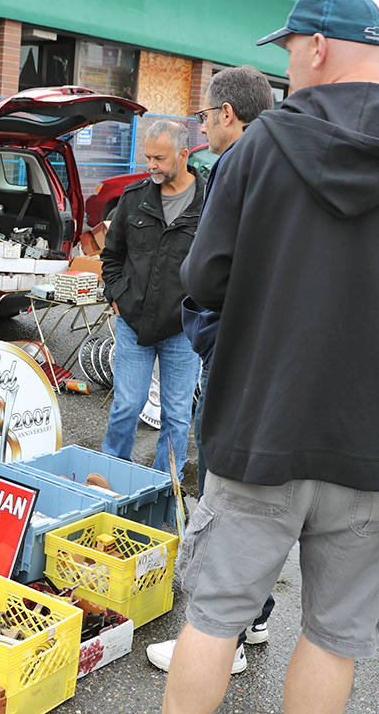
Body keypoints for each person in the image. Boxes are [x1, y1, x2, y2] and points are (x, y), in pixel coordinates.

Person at [169, 0, 379, 714]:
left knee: (214, 618)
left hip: (261, 426)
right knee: (333, 636)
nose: (289, 66)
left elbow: (203, 275)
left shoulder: (262, 142)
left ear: (317, 46)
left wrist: (236, 347)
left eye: (289, 50)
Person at [148, 65, 276, 676]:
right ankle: (255, 618)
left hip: (238, 351)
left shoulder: (237, 165)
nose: (201, 126)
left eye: (203, 115)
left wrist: (202, 327)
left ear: (227, 114)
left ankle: (220, 634)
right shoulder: (291, 156)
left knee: (224, 490)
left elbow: (210, 270)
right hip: (276, 356)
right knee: (261, 497)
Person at [100, 119, 202, 477]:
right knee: (127, 405)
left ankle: (163, 489)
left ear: (183, 154)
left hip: (182, 330)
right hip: (133, 322)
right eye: (148, 158)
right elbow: (111, 256)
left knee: (176, 415)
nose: (151, 166)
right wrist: (116, 294)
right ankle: (110, 479)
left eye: (159, 158)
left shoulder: (209, 206)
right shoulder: (133, 199)